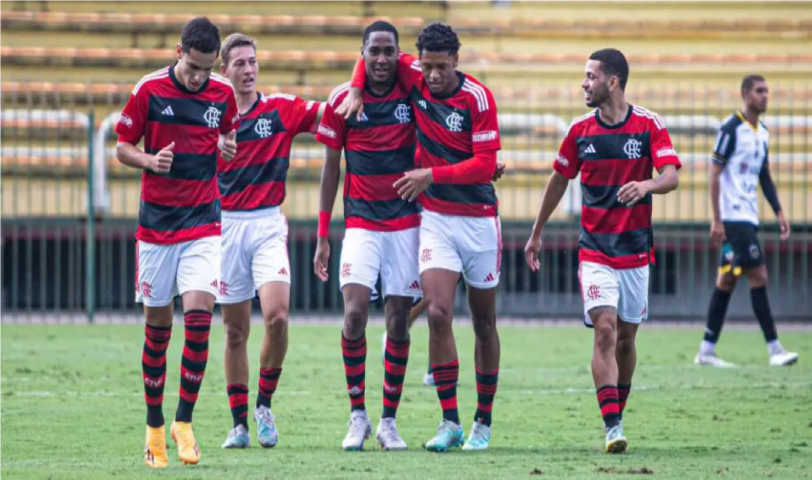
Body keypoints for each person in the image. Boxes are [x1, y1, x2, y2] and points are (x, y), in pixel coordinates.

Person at [339, 22, 503, 452]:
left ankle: (483, 420)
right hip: (435, 220)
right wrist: (355, 87)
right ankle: (450, 420)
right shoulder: (412, 73)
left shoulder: (478, 97)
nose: (432, 75)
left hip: (479, 220)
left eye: (441, 67)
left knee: (484, 323)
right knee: (438, 314)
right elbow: (370, 55)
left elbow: (486, 165)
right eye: (427, 66)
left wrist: (432, 174)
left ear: (456, 61)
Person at [524, 49, 681, 454]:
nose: (584, 83)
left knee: (626, 340)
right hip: (594, 250)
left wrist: (646, 185)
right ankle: (612, 427)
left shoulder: (648, 124)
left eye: (591, 76)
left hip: (636, 251)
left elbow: (670, 176)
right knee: (605, 329)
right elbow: (559, 180)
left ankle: (617, 414)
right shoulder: (579, 131)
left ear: (613, 82)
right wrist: (537, 233)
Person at [114, 17, 239, 468]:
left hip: (203, 223)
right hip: (156, 228)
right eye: (193, 67)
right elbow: (122, 146)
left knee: (200, 320)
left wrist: (226, 146)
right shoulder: (149, 89)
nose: (200, 77)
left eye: (207, 69)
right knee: (158, 331)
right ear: (179, 52)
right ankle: (154, 426)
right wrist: (149, 160)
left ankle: (183, 422)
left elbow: (227, 133)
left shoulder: (223, 93)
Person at [313, 20, 421, 451]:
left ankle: (388, 421)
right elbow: (330, 169)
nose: (381, 59)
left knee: (397, 321)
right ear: (362, 54)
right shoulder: (341, 100)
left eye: (388, 51)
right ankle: (357, 414)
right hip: (360, 222)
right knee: (354, 314)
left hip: (406, 223)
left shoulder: (412, 91)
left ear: (398, 54)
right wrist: (323, 234)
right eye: (373, 51)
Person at [215, 33, 325, 450]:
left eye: (253, 61)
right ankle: (239, 424)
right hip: (225, 227)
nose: (249, 70)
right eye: (240, 63)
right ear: (223, 70)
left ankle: (263, 404)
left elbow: (329, 114)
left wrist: (355, 91)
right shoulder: (211, 117)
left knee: (277, 318)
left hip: (266, 225)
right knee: (235, 330)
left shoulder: (279, 109)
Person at [694, 74, 798, 368]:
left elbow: (764, 174)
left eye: (767, 91)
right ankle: (775, 349)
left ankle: (706, 350)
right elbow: (714, 172)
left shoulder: (763, 132)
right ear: (745, 94)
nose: (765, 95)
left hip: (748, 216)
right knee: (758, 275)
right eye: (759, 91)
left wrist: (778, 210)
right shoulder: (731, 128)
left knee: (727, 280)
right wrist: (717, 218)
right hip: (733, 217)